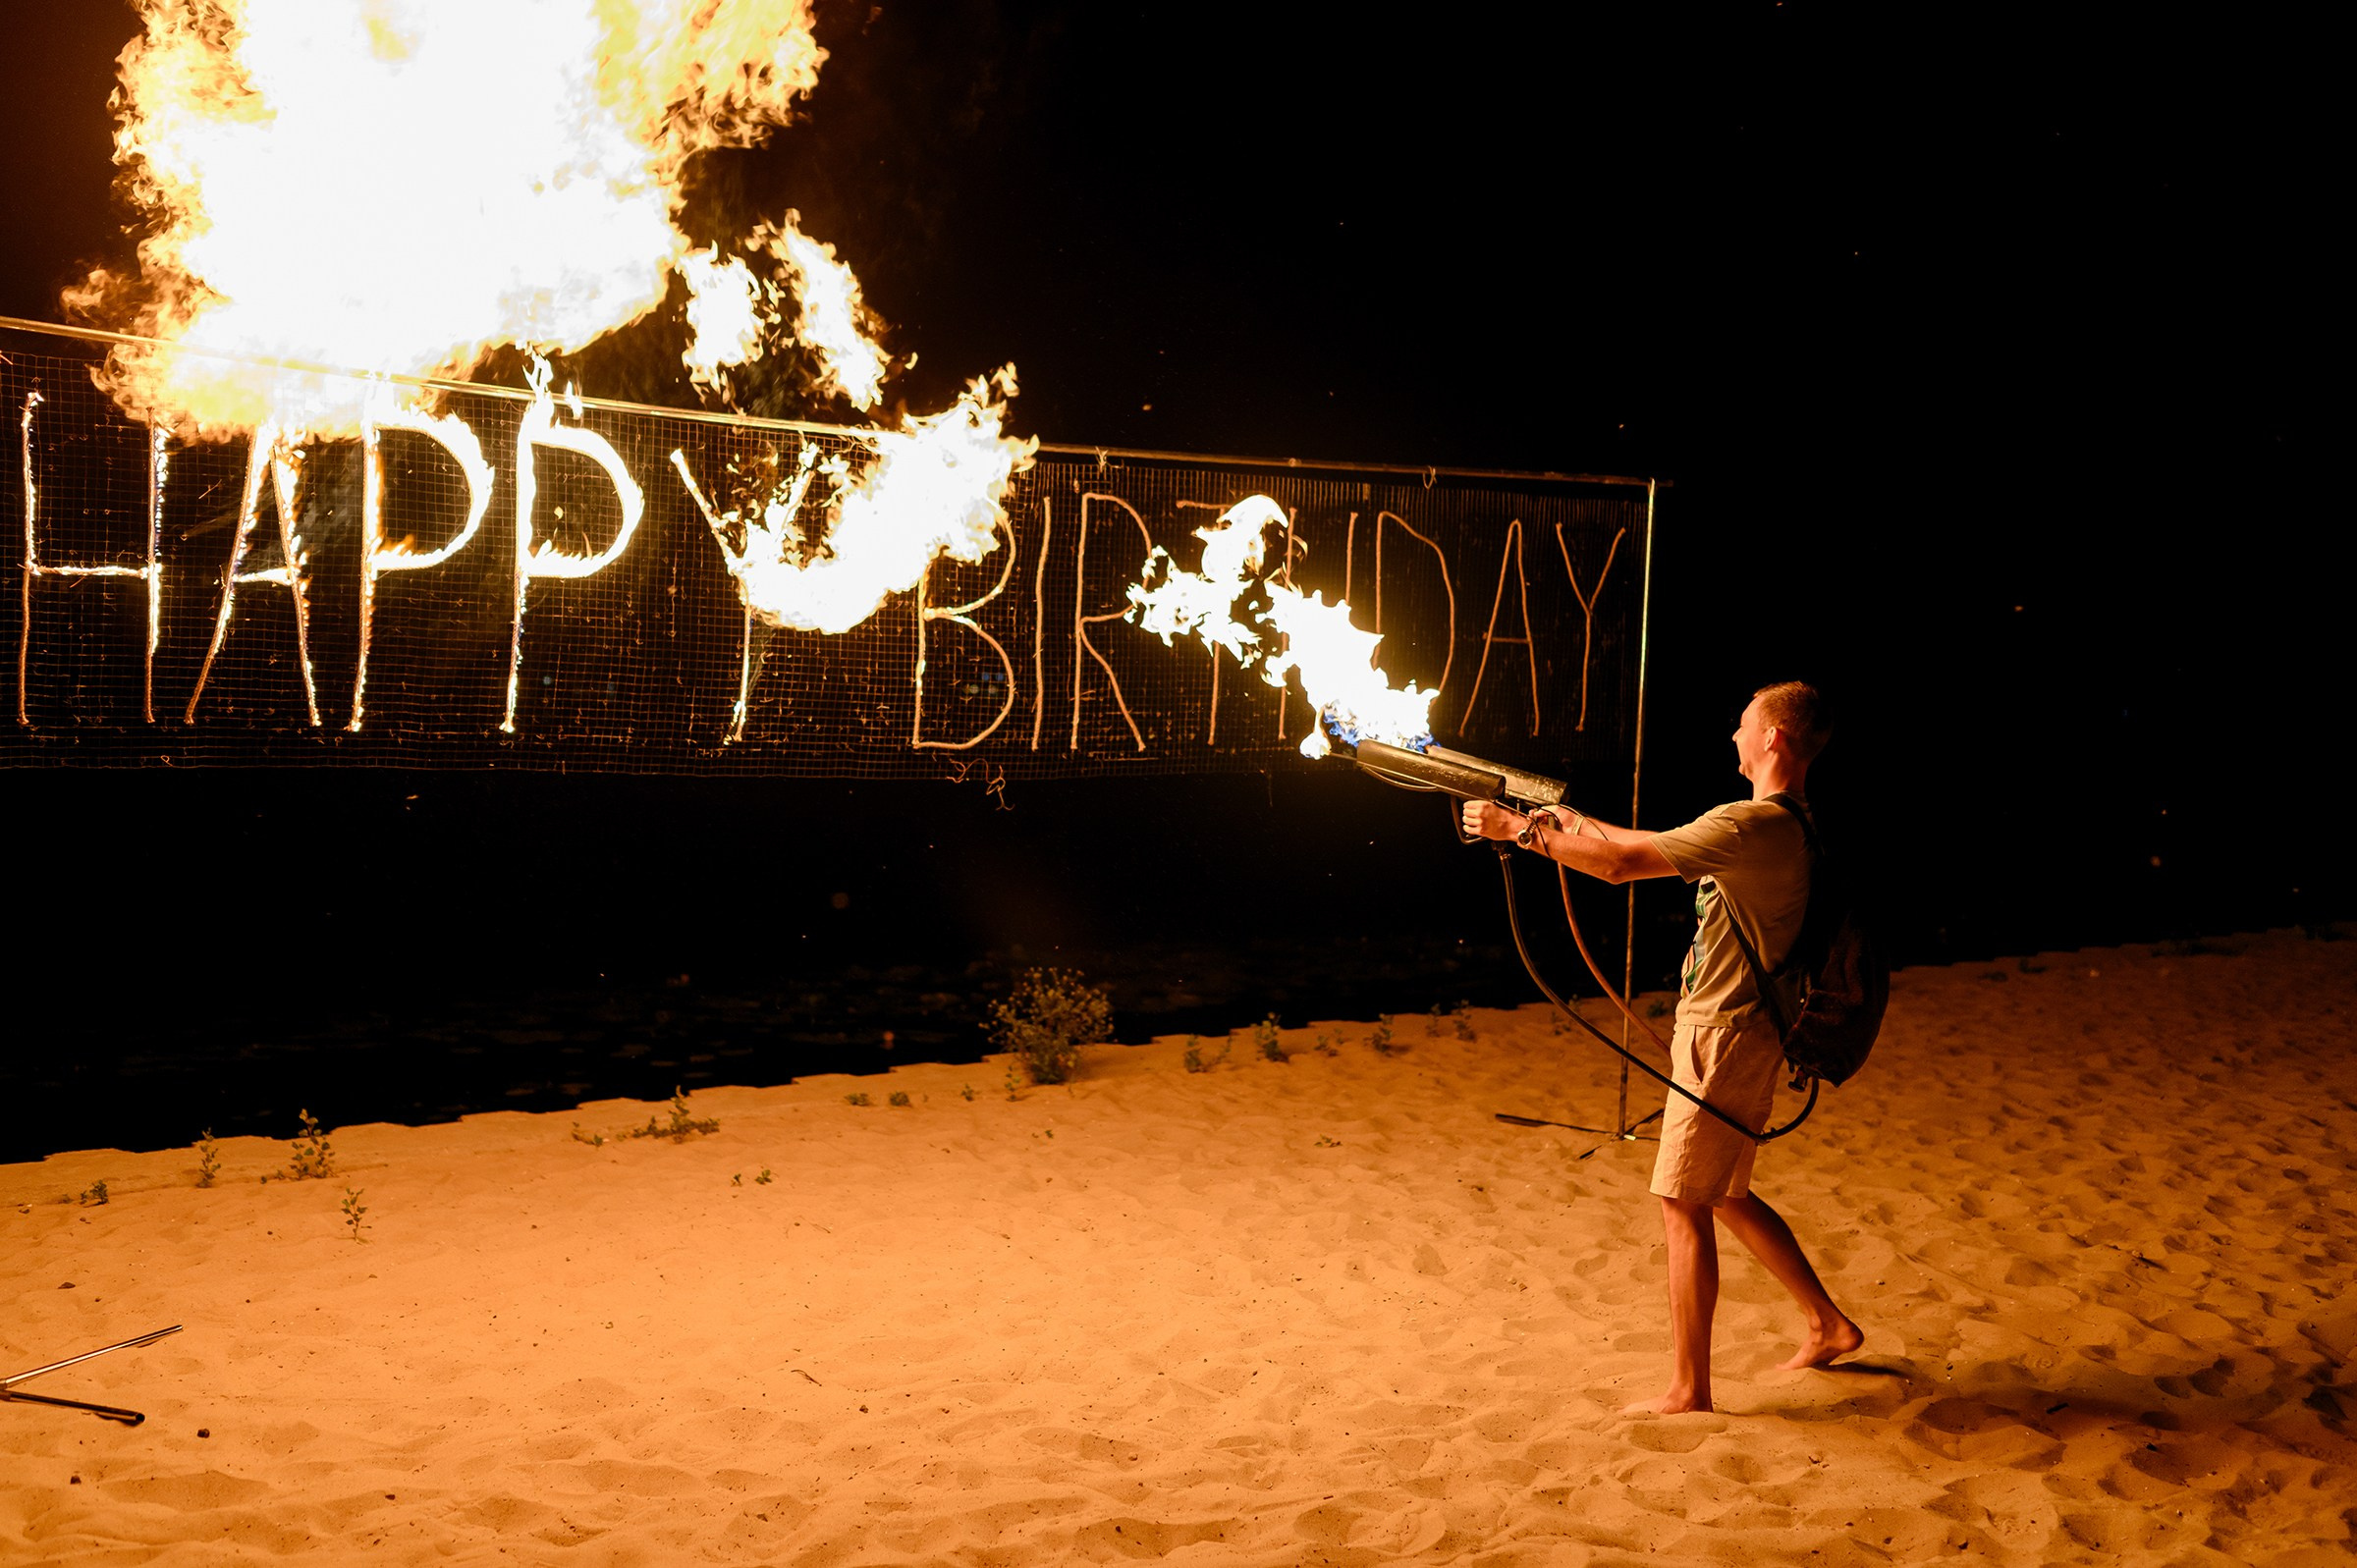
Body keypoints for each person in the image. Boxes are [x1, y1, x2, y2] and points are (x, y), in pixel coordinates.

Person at [1460, 680, 1862, 1414]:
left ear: (1774, 737)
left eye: (1744, 725)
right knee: (1725, 1191)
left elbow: (1620, 867)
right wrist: (1559, 820)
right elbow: (1636, 845)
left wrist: (1517, 833)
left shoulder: (1752, 825)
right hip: (1739, 1028)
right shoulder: (1781, 824)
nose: (1734, 736)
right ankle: (1828, 1323)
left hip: (1726, 1032)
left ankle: (1688, 1388)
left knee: (1683, 1198)